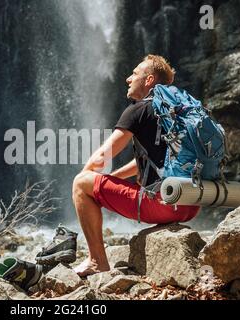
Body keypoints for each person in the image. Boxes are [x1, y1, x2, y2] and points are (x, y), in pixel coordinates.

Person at [71, 55, 201, 277]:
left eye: (135, 74)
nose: (128, 79)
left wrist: (85, 183)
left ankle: (96, 262)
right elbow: (153, 159)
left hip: (164, 204)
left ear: (149, 80)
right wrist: (114, 179)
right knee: (91, 183)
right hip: (191, 204)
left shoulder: (139, 109)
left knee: (81, 184)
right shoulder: (178, 110)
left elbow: (103, 155)